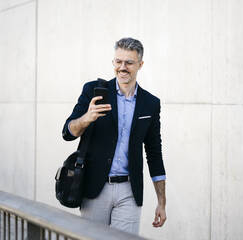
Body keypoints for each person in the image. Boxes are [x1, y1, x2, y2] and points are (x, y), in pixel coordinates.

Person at [62, 37, 166, 234]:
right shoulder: (94, 91)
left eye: (129, 62)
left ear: (140, 64)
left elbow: (154, 153)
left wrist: (161, 202)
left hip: (129, 190)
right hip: (95, 188)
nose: (122, 67)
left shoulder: (150, 103)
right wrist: (87, 118)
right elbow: (68, 133)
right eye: (118, 62)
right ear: (113, 62)